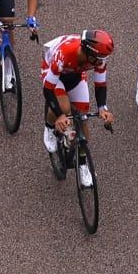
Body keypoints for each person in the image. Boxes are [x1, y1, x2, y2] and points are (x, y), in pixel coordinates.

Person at [40, 30, 115, 174]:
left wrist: (102, 108)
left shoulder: (97, 58)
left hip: (75, 74)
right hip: (54, 72)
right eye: (99, 57)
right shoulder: (64, 53)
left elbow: (100, 84)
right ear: (88, 52)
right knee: (64, 107)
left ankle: (82, 164)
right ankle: (49, 127)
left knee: (83, 118)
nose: (102, 61)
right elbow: (48, 90)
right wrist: (60, 115)